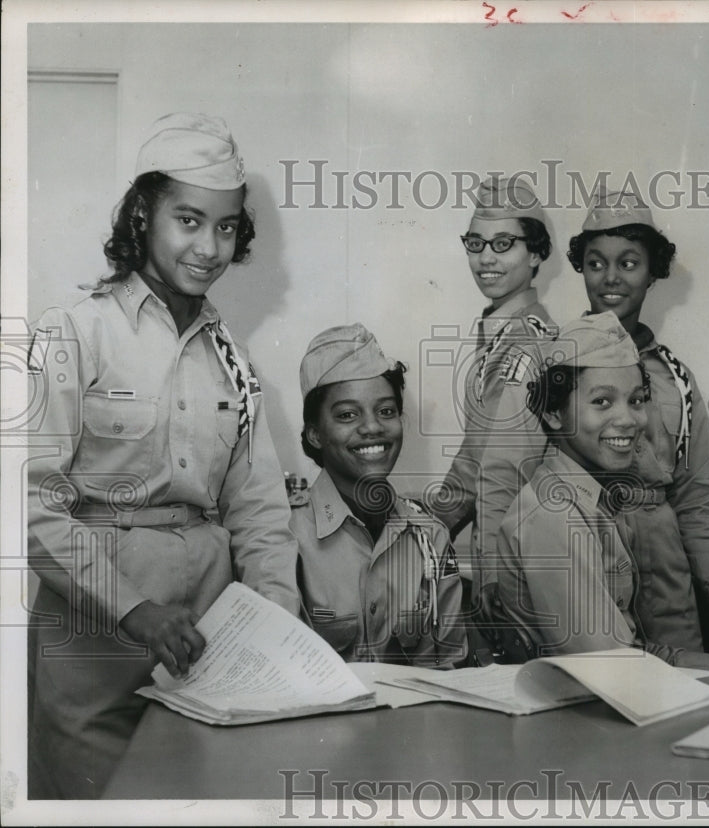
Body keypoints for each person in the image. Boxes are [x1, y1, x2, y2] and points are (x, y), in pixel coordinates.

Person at [26, 113, 301, 798]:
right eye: (189, 220)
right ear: (144, 213)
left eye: (228, 226)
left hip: (208, 645)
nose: (209, 246)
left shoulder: (232, 358)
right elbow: (32, 505)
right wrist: (134, 609)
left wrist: (276, 629)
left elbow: (260, 511)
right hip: (94, 642)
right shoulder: (75, 331)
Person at [494, 313, 709, 666]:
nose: (629, 419)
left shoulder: (591, 502)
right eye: (602, 401)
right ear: (554, 414)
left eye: (636, 400)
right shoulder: (553, 516)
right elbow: (613, 672)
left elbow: (631, 650)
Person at [565, 191, 709, 656]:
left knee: (680, 692)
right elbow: (515, 477)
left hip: (667, 572)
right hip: (585, 557)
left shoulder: (678, 380)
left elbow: (698, 497)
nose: (610, 278)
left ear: (653, 274)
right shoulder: (554, 367)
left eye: (629, 263)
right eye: (595, 263)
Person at [292, 325, 467, 667]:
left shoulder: (430, 536)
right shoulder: (284, 537)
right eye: (347, 415)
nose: (372, 427)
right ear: (314, 434)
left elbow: (451, 669)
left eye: (386, 411)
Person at [429, 176, 557, 637]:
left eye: (503, 244)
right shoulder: (498, 335)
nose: (485, 258)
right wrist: (423, 523)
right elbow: (475, 454)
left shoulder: (530, 342)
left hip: (518, 557)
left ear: (537, 253)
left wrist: (495, 580)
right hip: (501, 546)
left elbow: (505, 468)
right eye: (475, 243)